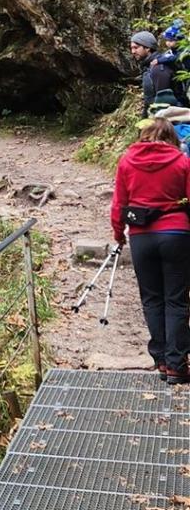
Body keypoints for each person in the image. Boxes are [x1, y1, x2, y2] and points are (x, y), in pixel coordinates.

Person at [111, 118, 190, 382]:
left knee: (152, 299)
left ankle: (161, 361)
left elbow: (119, 203)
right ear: (171, 137)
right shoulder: (182, 162)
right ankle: (177, 365)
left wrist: (117, 234)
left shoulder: (126, 161)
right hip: (177, 234)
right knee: (176, 300)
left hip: (141, 237)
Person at [131, 31, 176, 115]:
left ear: (147, 48)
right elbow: (149, 98)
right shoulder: (148, 67)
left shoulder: (159, 68)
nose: (133, 51)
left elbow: (164, 103)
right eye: (132, 48)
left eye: (136, 47)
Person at [154, 22, 189, 106]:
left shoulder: (184, 49)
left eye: (171, 40)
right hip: (178, 76)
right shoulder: (171, 51)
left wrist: (160, 60)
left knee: (185, 90)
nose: (168, 43)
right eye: (167, 40)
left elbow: (175, 57)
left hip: (185, 73)